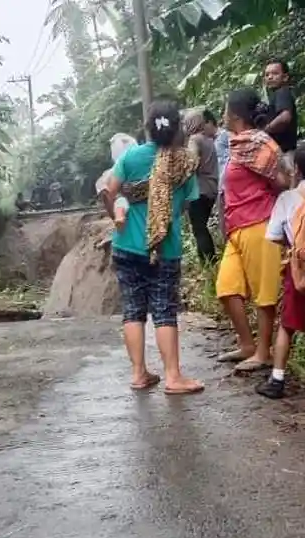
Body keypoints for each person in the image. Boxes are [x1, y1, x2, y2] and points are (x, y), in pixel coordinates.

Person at [101, 101, 205, 396]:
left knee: (133, 310)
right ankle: (173, 376)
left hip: (126, 246)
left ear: (148, 127)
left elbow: (109, 192)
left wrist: (118, 218)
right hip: (165, 246)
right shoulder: (184, 162)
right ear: (177, 129)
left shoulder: (130, 156)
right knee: (163, 310)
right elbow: (185, 205)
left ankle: (138, 374)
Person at [257, 141, 305, 399]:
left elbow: (274, 235)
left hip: (298, 270)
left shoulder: (288, 198)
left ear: (297, 170)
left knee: (287, 326)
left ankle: (277, 379)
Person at [215, 88, 286, 373]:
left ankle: (263, 352)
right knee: (226, 287)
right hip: (237, 227)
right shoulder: (238, 144)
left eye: (224, 109)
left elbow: (280, 179)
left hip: (259, 224)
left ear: (234, 114)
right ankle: (247, 345)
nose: (222, 114)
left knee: (264, 293)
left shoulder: (257, 143)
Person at [183, 109, 221, 264]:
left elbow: (191, 162)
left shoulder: (194, 140)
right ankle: (210, 261)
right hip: (211, 188)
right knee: (202, 227)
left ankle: (208, 263)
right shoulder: (209, 139)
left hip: (199, 189)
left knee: (199, 229)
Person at [264, 59, 298, 161]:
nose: (270, 77)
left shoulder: (282, 92)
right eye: (267, 74)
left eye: (275, 73)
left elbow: (285, 117)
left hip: (284, 153)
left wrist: (265, 131)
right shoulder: (277, 95)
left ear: (285, 77)